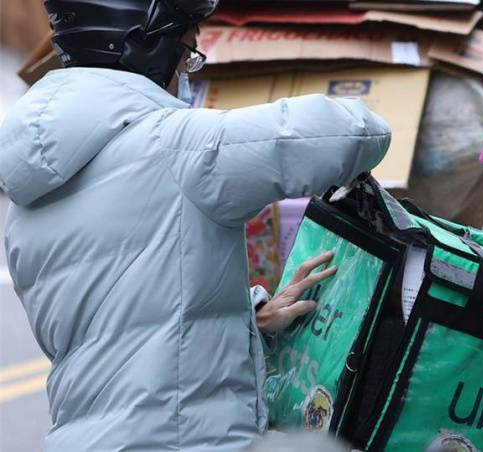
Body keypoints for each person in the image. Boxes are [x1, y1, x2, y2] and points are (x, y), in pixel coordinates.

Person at [0, 0, 390, 450]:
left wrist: (252, 318)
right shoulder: (178, 144)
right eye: (187, 54)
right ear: (148, 50)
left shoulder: (26, 201)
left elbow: (117, 320)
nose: (187, 72)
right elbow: (355, 133)